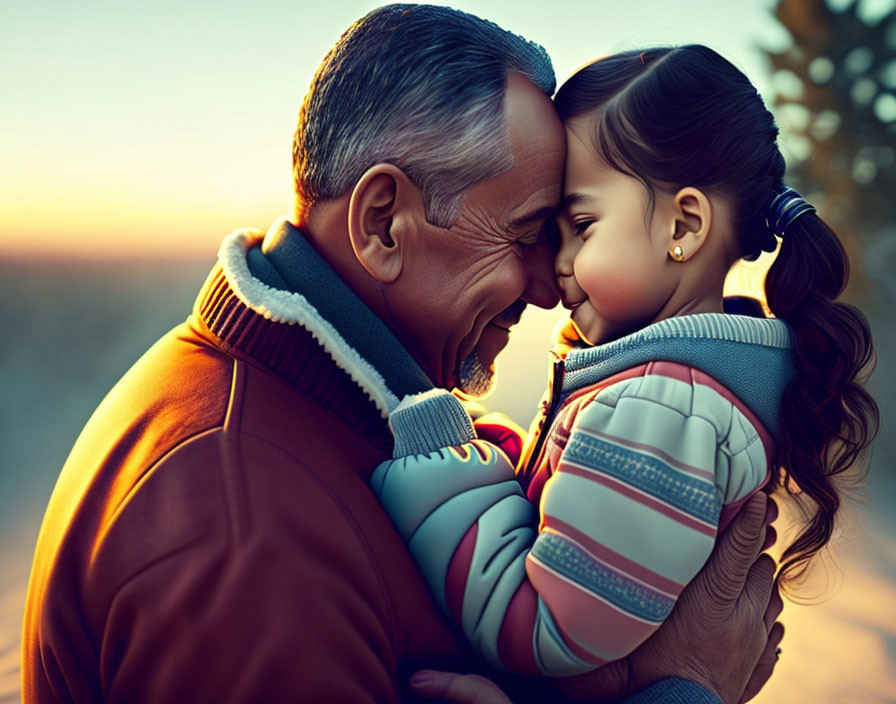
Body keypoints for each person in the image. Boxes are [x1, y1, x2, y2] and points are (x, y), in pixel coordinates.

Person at [22, 9, 783, 702]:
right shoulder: (246, 535)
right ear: (384, 223)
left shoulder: (328, 419)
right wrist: (686, 687)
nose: (548, 291)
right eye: (525, 236)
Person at [369, 43, 878, 685]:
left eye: (582, 225)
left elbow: (547, 629)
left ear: (684, 226)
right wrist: (507, 463)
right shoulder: (676, 393)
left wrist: (436, 473)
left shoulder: (661, 409)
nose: (555, 268)